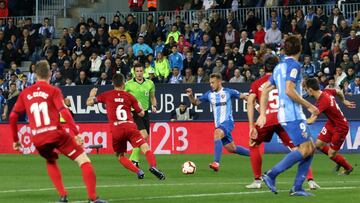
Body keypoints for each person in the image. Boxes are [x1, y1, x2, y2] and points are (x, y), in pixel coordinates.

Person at [9, 60, 106, 203]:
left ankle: (63, 195)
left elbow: (12, 116)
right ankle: (92, 197)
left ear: (35, 75)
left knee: (50, 160)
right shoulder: (53, 90)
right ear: (50, 74)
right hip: (56, 133)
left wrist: (16, 140)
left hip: (38, 138)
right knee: (84, 161)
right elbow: (64, 112)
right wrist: (76, 133)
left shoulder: (25, 93)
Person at [256, 36, 319, 196]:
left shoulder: (278, 67)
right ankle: (272, 174)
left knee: (310, 148)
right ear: (299, 49)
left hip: (284, 114)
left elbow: (264, 90)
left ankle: (297, 187)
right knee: (305, 148)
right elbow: (289, 90)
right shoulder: (294, 65)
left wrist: (263, 114)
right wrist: (309, 105)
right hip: (292, 114)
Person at [86, 73, 165, 180]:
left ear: (113, 83)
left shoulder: (107, 95)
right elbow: (141, 114)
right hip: (130, 127)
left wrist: (92, 95)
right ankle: (153, 166)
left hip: (116, 129)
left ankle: (138, 171)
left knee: (120, 156)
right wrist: (140, 108)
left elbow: (89, 103)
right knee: (145, 147)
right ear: (124, 83)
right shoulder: (130, 97)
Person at [186, 73, 249, 171]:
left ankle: (216, 163)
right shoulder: (209, 94)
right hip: (219, 125)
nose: (211, 84)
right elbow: (195, 102)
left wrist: (255, 103)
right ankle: (254, 154)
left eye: (213, 82)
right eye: (210, 83)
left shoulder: (228, 92)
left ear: (219, 82)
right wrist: (190, 96)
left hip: (228, 122)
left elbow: (244, 97)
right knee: (232, 148)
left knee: (217, 134)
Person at [305, 78, 354, 175]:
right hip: (331, 123)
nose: (306, 91)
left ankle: (348, 168)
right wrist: (343, 101)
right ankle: (338, 160)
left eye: (306, 89)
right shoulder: (326, 91)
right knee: (318, 145)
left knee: (331, 155)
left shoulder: (322, 102)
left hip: (341, 127)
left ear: (310, 89)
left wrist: (297, 121)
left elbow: (311, 121)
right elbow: (339, 91)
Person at [125, 63, 157, 167]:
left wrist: (154, 106)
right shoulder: (128, 84)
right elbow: (123, 98)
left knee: (143, 138)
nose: (139, 73)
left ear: (144, 72)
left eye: (140, 71)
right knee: (144, 136)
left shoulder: (150, 83)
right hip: (134, 112)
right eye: (137, 71)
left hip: (145, 112)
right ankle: (134, 160)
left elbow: (152, 97)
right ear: (134, 72)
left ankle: (133, 159)